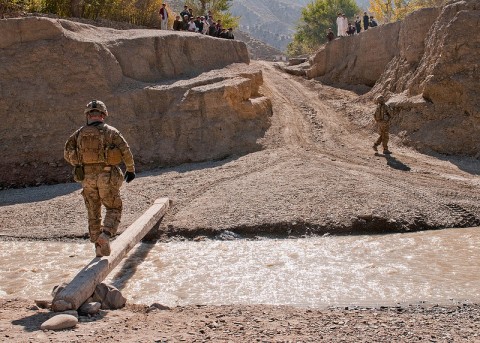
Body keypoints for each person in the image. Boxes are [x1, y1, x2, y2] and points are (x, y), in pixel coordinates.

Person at [64, 100, 136, 257]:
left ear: (88, 115)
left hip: (87, 179)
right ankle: (106, 235)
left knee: (93, 212)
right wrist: (130, 169)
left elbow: (67, 152)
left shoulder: (78, 134)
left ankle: (98, 249)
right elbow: (125, 150)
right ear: (103, 115)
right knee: (114, 208)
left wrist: (79, 163)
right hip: (107, 177)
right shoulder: (111, 131)